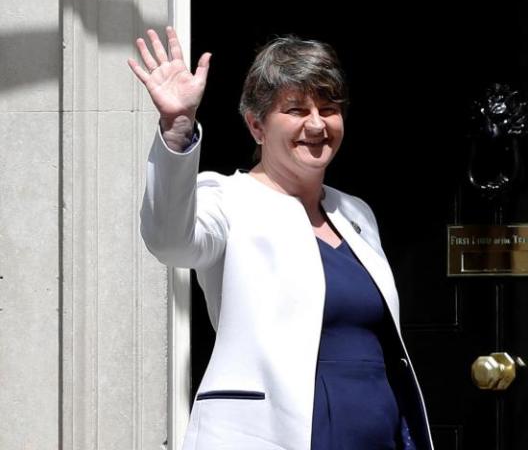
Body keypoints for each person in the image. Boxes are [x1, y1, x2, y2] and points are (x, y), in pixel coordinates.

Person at [129, 26, 432, 450]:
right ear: (256, 125)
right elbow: (168, 240)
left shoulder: (356, 212)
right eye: (295, 109)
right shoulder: (227, 198)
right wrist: (178, 126)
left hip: (376, 434)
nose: (316, 124)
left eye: (328, 108)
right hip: (273, 436)